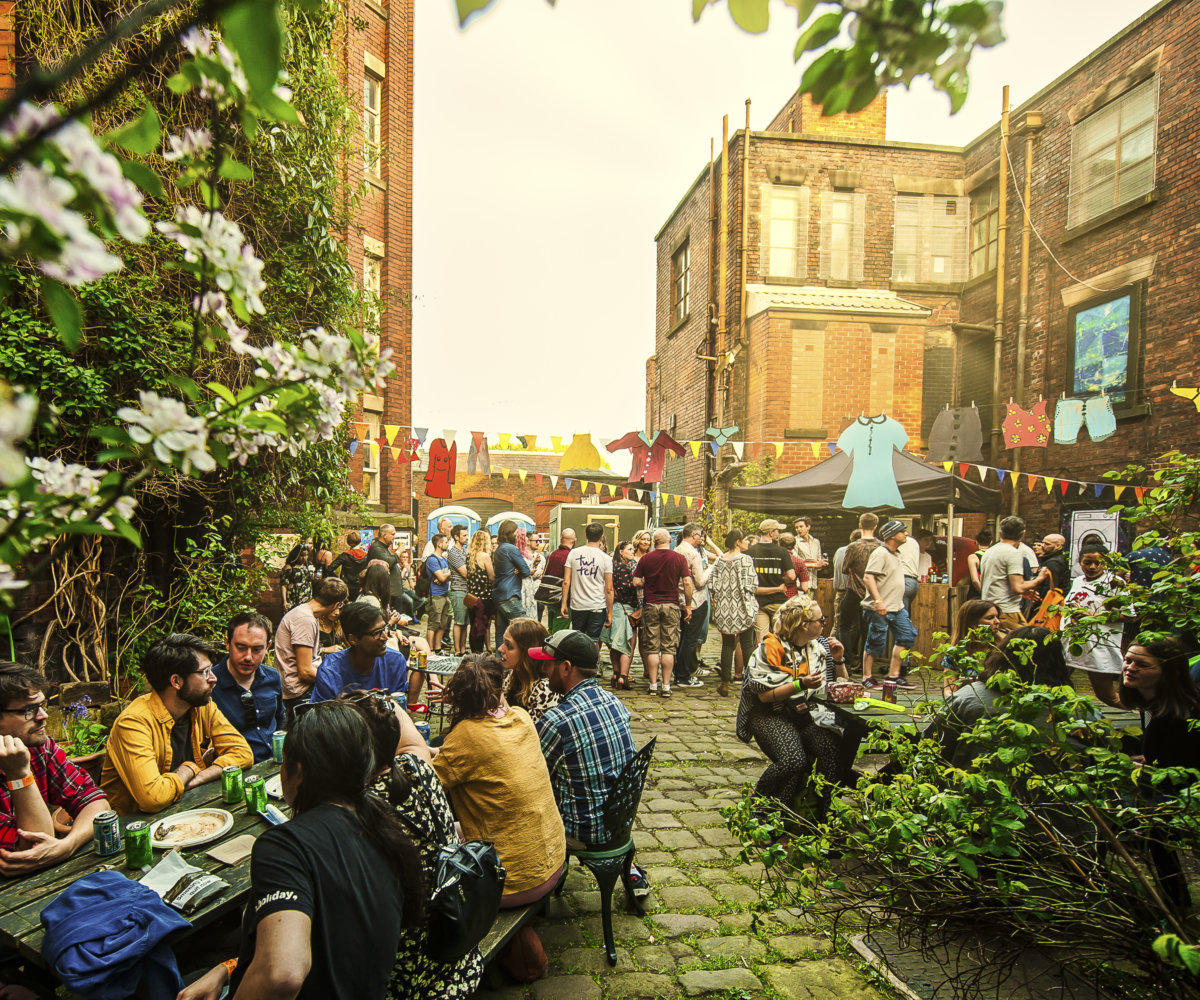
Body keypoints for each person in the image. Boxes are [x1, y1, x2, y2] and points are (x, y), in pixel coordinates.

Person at [179, 702, 424, 1000]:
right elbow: (328, 938)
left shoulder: (284, 846)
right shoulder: (382, 827)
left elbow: (282, 974)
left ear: (297, 772)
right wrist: (228, 968)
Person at [343, 690, 482, 1000]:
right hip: (455, 942)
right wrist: (382, 705)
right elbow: (410, 740)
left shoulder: (358, 811)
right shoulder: (417, 769)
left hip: (406, 972)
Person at [432, 654, 567, 906]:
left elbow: (427, 785)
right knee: (462, 827)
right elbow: (480, 752)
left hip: (510, 883)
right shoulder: (520, 717)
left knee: (437, 838)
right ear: (502, 686)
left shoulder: (464, 736)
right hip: (553, 861)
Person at [100, 634, 253, 814]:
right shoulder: (133, 723)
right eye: (205, 672)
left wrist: (198, 777)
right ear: (176, 681)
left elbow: (243, 753)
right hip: (136, 828)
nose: (214, 678)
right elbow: (153, 798)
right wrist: (189, 769)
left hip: (189, 810)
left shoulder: (202, 706)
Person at [735, 596, 856, 815]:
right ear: (804, 625)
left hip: (802, 712)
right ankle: (760, 811)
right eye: (821, 620)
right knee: (793, 760)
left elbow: (837, 687)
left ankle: (820, 814)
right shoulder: (769, 649)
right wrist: (800, 684)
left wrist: (839, 659)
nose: (824, 623)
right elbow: (764, 696)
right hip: (769, 713)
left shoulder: (818, 649)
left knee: (831, 751)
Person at [530, 630, 637, 850]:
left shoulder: (557, 721)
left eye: (548, 664)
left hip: (584, 829)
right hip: (619, 821)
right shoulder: (613, 701)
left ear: (566, 667)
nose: (543, 670)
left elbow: (532, 779)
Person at [0, 662, 109, 876]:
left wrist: (68, 845)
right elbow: (31, 848)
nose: (43, 715)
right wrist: (19, 775)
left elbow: (95, 801)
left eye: (42, 705)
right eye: (29, 710)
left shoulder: (40, 747)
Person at [1120, 636, 1200, 908]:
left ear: (1168, 671)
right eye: (1128, 659)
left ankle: (1178, 906)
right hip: (1176, 792)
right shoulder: (1160, 705)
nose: (1129, 667)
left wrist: (1134, 768)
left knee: (1157, 831)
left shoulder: (1177, 715)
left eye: (1141, 664)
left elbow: (1175, 771)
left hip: (1185, 799)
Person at [934, 626, 1071, 769]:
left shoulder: (968, 697)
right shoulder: (1077, 711)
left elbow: (935, 746)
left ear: (1002, 654)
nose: (996, 622)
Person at [211, 612, 285, 764]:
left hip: (275, 763)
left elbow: (280, 719)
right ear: (227, 643)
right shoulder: (210, 685)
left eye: (257, 649)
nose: (248, 657)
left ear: (267, 647)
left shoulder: (272, 677)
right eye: (241, 647)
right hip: (235, 769)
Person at [275, 576, 349, 720]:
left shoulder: (307, 614)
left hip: (304, 689)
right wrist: (338, 683)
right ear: (336, 605)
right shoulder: (305, 619)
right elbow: (305, 671)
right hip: (301, 693)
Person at [1062, 543, 1126, 708]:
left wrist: (1093, 616)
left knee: (1106, 695)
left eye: (1098, 563)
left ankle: (1147, 716)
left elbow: (1130, 615)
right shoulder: (1077, 581)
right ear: (1080, 562)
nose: (1092, 567)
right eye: (1087, 562)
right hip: (1072, 643)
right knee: (1057, 683)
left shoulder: (1115, 583)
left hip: (1098, 646)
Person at [632, 528, 693, 698]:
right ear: (669, 541)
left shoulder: (646, 559)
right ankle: (666, 686)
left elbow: (636, 581)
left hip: (651, 604)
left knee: (652, 648)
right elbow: (688, 583)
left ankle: (652, 684)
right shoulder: (678, 558)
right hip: (672, 605)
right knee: (668, 648)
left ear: (654, 541)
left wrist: (647, 581)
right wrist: (688, 606)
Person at [309, 602, 408, 703]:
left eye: (384, 629)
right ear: (353, 639)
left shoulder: (395, 662)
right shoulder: (330, 672)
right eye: (376, 633)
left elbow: (398, 707)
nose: (385, 637)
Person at [861, 520, 918, 690]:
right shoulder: (880, 553)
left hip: (897, 607)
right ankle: (867, 677)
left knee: (907, 636)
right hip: (879, 608)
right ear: (893, 535)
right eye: (903, 531)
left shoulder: (895, 553)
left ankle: (893, 676)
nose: (906, 534)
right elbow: (868, 577)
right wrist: (878, 601)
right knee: (875, 641)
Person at [709, 528, 758, 697]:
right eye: (745, 540)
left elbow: (712, 583)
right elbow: (752, 584)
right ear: (738, 542)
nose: (748, 543)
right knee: (747, 644)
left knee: (727, 645)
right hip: (742, 606)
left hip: (724, 608)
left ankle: (725, 683)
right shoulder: (746, 560)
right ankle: (752, 682)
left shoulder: (720, 560)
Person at [979, 516, 1049, 632]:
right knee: (1021, 645)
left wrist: (1023, 593)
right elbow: (1017, 587)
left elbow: (993, 581)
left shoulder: (990, 551)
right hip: (1006, 610)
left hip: (989, 608)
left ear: (1000, 533)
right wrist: (1040, 578)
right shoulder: (1013, 553)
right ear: (1023, 534)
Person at [839, 513, 881, 676]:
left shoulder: (854, 546)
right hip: (872, 592)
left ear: (860, 525)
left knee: (844, 625)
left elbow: (844, 568)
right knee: (866, 629)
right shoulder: (881, 546)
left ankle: (847, 661)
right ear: (875, 526)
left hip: (854, 590)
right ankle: (864, 664)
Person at [673, 524, 712, 689]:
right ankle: (683, 675)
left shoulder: (676, 551)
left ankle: (678, 671)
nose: (701, 539)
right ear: (694, 535)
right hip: (695, 601)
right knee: (690, 639)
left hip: (679, 600)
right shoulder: (693, 554)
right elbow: (700, 581)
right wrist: (710, 569)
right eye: (700, 536)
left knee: (681, 639)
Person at [561, 523, 613, 646]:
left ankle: (578, 664)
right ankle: (593, 664)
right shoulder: (606, 558)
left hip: (578, 605)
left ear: (586, 536)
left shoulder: (573, 554)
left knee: (578, 638)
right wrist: (609, 613)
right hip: (597, 604)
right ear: (601, 537)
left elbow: (566, 581)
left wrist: (564, 603)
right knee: (594, 639)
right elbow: (609, 589)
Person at [499, 617, 560, 722]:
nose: (500, 649)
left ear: (525, 653)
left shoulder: (545, 689)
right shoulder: (515, 674)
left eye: (509, 646)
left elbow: (533, 734)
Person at [748, 519, 796, 641]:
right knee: (781, 635)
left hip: (758, 602)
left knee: (761, 638)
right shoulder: (782, 552)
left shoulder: (750, 552)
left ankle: (763, 659)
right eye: (777, 531)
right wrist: (780, 580)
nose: (778, 534)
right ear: (771, 533)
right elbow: (792, 576)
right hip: (778, 600)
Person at [942, 600, 1005, 694]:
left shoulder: (1003, 648)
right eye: (990, 618)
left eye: (997, 617)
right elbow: (949, 689)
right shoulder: (955, 653)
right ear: (973, 623)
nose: (997, 621)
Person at [601, 541, 639, 689]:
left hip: (615, 608)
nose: (633, 551)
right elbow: (626, 588)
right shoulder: (622, 567)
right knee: (626, 644)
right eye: (629, 549)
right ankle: (623, 676)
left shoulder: (614, 566)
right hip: (625, 609)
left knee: (615, 645)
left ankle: (616, 674)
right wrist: (639, 583)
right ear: (621, 552)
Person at [493, 520, 533, 642]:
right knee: (526, 627)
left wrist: (517, 569)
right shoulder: (512, 549)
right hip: (510, 594)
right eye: (516, 532)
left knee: (502, 632)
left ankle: (499, 659)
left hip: (499, 593)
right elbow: (526, 571)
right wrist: (519, 570)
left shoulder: (499, 549)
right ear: (511, 534)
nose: (517, 535)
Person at [465, 529, 496, 654]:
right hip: (484, 598)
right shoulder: (485, 556)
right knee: (482, 626)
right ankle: (479, 653)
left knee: (473, 626)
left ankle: (474, 652)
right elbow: (492, 577)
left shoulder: (469, 556)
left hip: (471, 597)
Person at [424, 532, 453, 658]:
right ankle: (429, 649)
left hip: (445, 594)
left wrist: (444, 575)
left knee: (443, 623)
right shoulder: (432, 559)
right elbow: (441, 577)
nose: (447, 544)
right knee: (433, 623)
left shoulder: (444, 559)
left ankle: (437, 648)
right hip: (435, 595)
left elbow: (449, 574)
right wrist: (444, 576)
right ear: (439, 544)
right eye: (446, 542)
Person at [541, 529, 575, 633]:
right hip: (564, 599)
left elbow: (544, 574)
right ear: (575, 540)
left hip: (550, 597)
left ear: (561, 539)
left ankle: (547, 647)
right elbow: (567, 581)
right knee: (560, 632)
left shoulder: (551, 554)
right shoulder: (571, 556)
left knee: (550, 629)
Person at [446, 524, 470, 656]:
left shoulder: (465, 551)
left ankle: (463, 648)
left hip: (467, 591)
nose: (467, 538)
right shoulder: (453, 553)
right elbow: (465, 572)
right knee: (459, 621)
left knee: (465, 623)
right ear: (456, 537)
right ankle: (457, 650)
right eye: (464, 535)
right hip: (458, 590)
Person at [327, 531, 371, 601]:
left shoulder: (344, 556)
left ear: (348, 542)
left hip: (346, 586)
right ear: (360, 540)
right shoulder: (367, 556)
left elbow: (329, 569)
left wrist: (338, 579)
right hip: (360, 587)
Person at [280, 538, 317, 611]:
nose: (304, 558)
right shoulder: (289, 567)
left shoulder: (308, 565)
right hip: (294, 597)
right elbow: (284, 585)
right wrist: (284, 601)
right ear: (296, 555)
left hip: (307, 596)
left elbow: (312, 580)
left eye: (306, 555)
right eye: (302, 555)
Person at [792, 516, 825, 593]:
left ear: (808, 527)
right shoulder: (794, 541)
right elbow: (794, 562)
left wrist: (821, 564)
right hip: (800, 584)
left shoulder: (816, 542)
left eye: (801, 526)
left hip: (813, 583)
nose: (798, 529)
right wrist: (814, 565)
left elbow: (818, 561)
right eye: (796, 527)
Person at [520, 527, 545, 620]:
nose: (538, 543)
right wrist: (535, 573)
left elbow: (543, 573)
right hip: (527, 596)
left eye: (539, 540)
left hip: (539, 594)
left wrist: (538, 574)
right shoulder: (523, 557)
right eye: (536, 541)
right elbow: (529, 573)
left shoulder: (541, 558)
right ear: (528, 541)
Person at [778, 532, 810, 599]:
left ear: (779, 544)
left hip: (775, 597)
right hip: (792, 599)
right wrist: (794, 586)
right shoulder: (799, 562)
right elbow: (805, 587)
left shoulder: (775, 559)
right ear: (794, 546)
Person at [966, 528, 992, 596]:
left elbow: (975, 580)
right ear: (991, 542)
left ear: (976, 542)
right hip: (991, 593)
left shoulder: (973, 557)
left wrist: (983, 594)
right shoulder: (993, 556)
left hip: (976, 594)